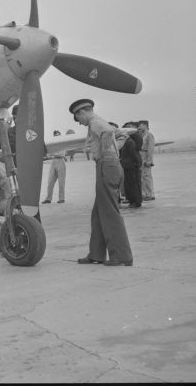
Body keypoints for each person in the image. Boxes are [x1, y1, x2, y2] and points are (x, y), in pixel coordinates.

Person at [70, 99, 133, 266]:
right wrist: (112, 149)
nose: (81, 123)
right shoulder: (100, 121)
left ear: (81, 113)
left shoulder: (96, 122)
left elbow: (106, 132)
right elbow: (119, 133)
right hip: (109, 165)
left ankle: (121, 256)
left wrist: (105, 154)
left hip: (106, 165)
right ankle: (96, 254)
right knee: (98, 213)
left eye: (79, 119)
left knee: (109, 212)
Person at [119, 122, 143, 208]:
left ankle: (135, 202)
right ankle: (133, 201)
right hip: (129, 166)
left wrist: (136, 164)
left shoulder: (129, 142)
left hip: (131, 166)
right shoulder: (129, 141)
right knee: (130, 184)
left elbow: (134, 155)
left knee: (133, 185)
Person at [42, 130, 66, 204]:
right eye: (55, 135)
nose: (56, 136)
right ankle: (48, 198)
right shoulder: (53, 144)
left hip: (61, 161)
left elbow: (61, 154)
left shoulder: (63, 143)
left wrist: (51, 154)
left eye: (57, 135)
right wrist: (51, 154)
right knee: (50, 182)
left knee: (61, 182)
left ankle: (61, 198)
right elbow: (49, 153)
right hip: (53, 162)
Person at [138, 120, 155, 201]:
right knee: (142, 177)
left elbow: (150, 149)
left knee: (147, 176)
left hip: (145, 156)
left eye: (141, 125)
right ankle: (144, 194)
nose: (139, 127)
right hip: (140, 156)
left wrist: (149, 160)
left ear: (145, 126)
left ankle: (150, 194)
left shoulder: (149, 135)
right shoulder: (141, 135)